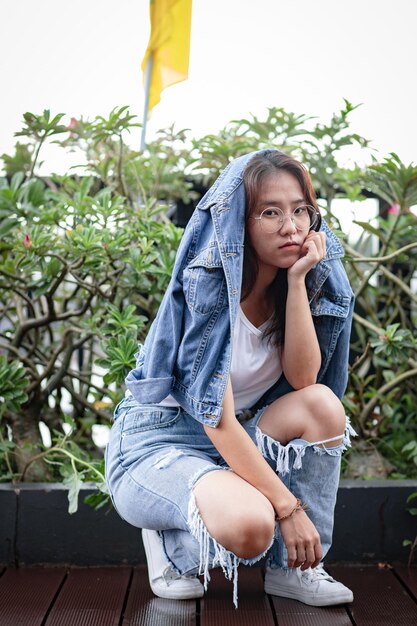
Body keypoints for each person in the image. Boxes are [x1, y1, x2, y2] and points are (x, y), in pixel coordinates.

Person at [105, 149, 356, 608]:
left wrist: (298, 282)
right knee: (252, 527)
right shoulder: (210, 284)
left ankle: (295, 570)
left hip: (234, 438)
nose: (292, 227)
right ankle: (171, 545)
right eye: (270, 213)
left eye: (301, 211)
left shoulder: (294, 282)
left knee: (322, 405)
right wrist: (289, 509)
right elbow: (214, 421)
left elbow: (305, 380)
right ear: (239, 222)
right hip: (160, 442)